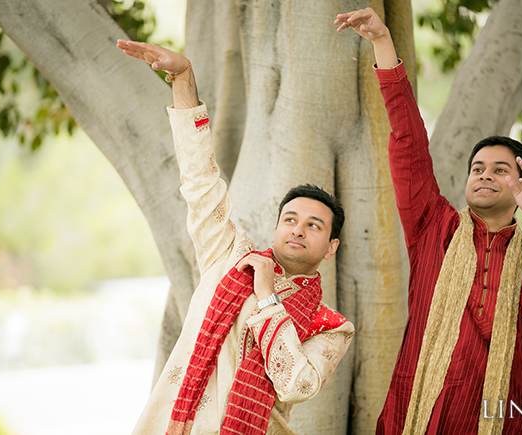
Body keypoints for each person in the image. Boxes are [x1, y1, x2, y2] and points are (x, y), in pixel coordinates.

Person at [335, 8, 522, 434]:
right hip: (419, 412)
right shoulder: (433, 226)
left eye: (501, 169)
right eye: (477, 168)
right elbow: (409, 142)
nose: (484, 174)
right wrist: (383, 44)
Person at [117, 40, 355, 435]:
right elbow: (200, 180)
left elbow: (296, 384)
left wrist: (267, 298)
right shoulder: (230, 255)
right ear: (277, 226)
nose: (298, 228)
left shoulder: (330, 326)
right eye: (290, 218)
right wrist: (182, 77)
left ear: (331, 248)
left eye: (314, 225)